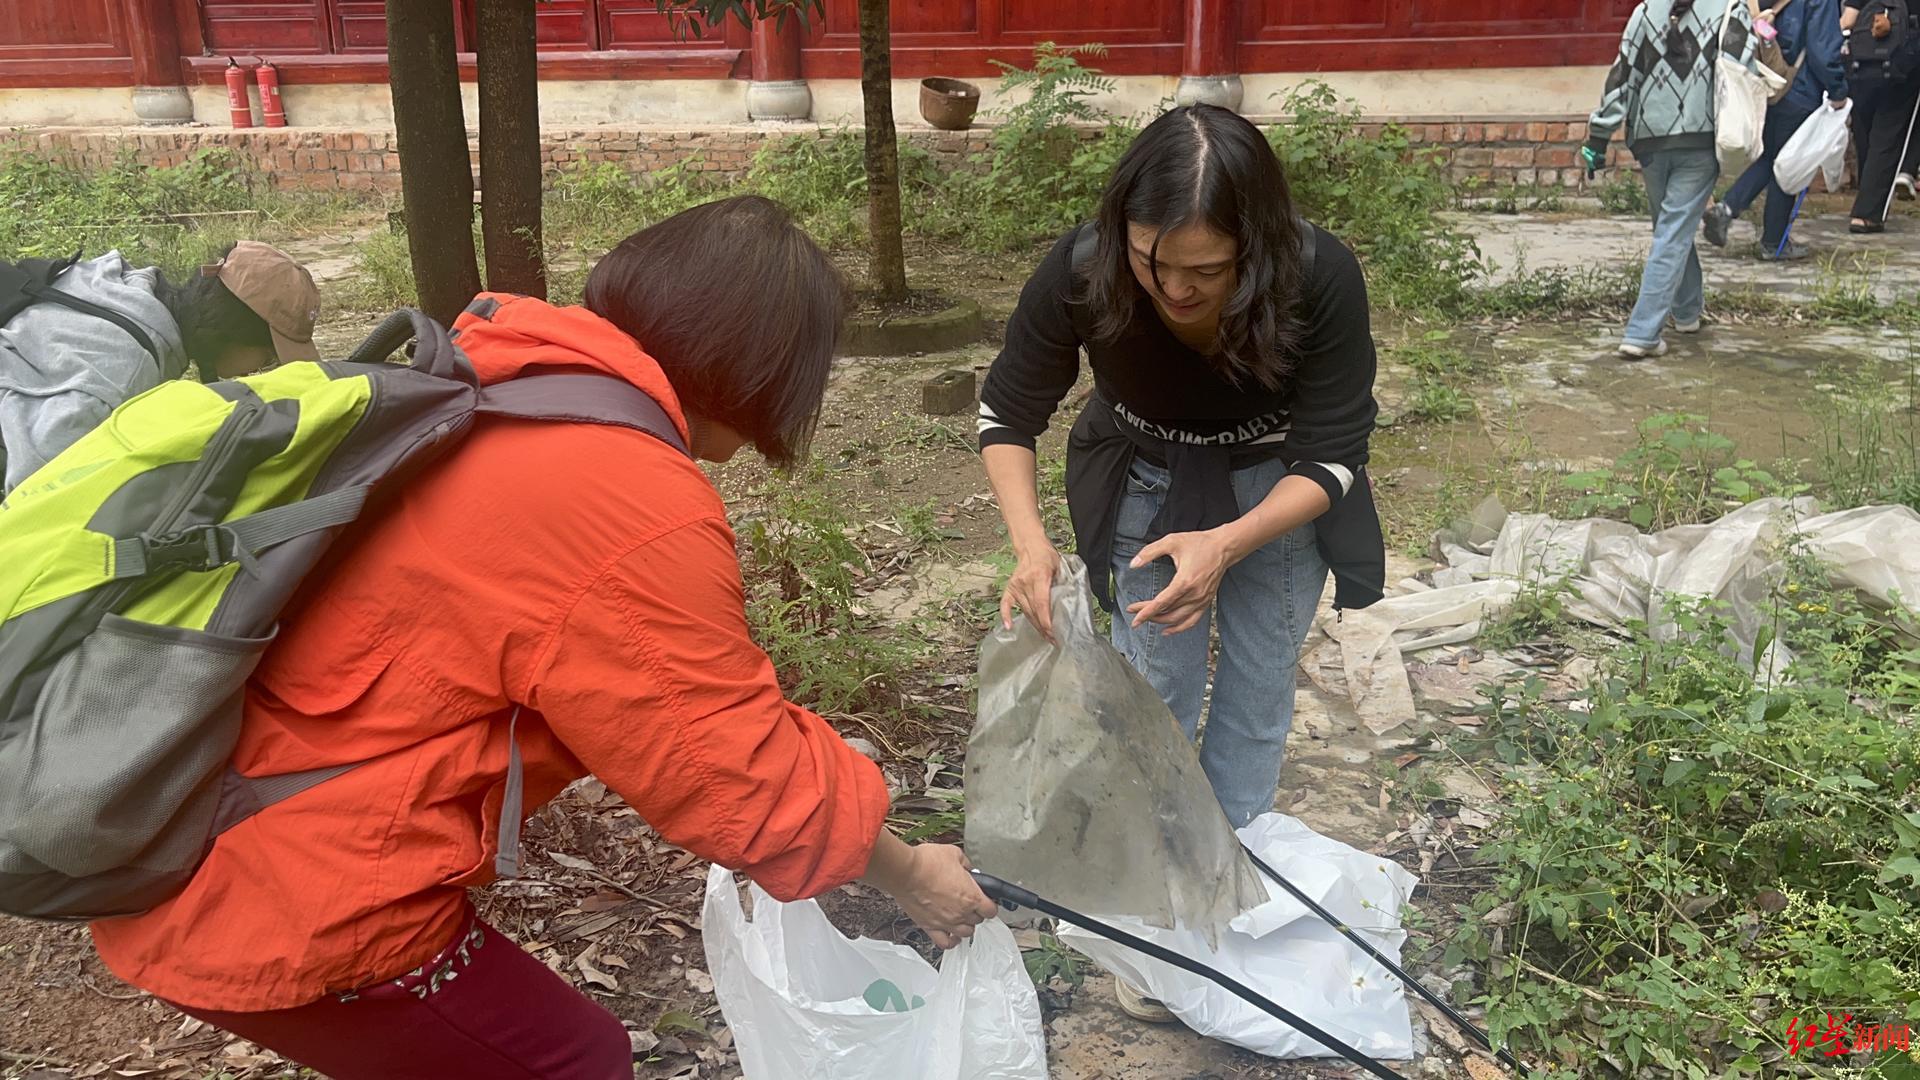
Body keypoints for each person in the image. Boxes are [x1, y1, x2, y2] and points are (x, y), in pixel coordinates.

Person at [86, 196, 998, 1079]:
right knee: (574, 1063)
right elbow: (734, 778)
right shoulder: (623, 497)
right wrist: (911, 870)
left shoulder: (499, 382)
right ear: (759, 369)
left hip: (191, 822)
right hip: (281, 892)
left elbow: (693, 698)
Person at [980, 105, 1383, 1016]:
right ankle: (1153, 919)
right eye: (1152, 261)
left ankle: (1222, 896)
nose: (1176, 290)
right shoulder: (1085, 267)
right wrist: (1030, 546)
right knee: (1148, 695)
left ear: (1260, 246)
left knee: (1256, 683)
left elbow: (1333, 456)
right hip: (1146, 480)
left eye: (1206, 270)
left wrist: (1230, 545)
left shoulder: (1318, 275)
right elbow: (1007, 413)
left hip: (1275, 489)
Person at [0, 240, 319, 495]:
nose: (263, 370)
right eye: (268, 358)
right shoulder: (125, 372)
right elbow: (34, 485)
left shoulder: (128, 287)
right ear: (234, 334)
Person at [1582, 0, 1759, 359]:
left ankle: (1687, 312)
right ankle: (1642, 333)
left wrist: (1598, 138)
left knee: (1671, 227)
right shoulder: (1731, 9)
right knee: (1673, 232)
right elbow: (1743, 73)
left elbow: (1622, 76)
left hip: (1650, 141)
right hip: (1701, 140)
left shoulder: (1645, 11)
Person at [1703, 0, 1851, 259]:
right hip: (1799, 87)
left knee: (1770, 155)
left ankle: (1726, 209)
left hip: (1764, 82)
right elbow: (1822, 48)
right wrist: (1838, 90)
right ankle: (1773, 243)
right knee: (1789, 165)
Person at [1842, 0, 1920, 232]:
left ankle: (1866, 196)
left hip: (1861, 62)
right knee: (1889, 135)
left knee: (1864, 131)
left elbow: (1848, 20)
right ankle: (1867, 214)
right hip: (1902, 62)